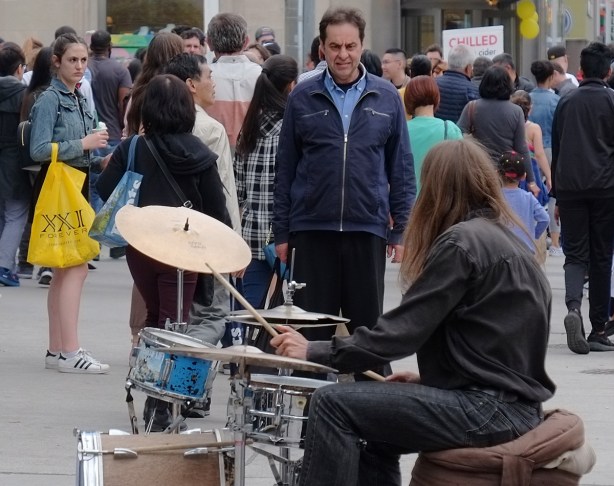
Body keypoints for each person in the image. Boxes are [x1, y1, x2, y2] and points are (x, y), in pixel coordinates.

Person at [271, 139, 555, 486]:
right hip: (514, 410)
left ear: (436, 190)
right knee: (375, 430)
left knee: (332, 403)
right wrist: (431, 383)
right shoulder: (511, 243)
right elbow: (499, 350)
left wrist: (315, 350)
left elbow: (402, 331)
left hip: (486, 412)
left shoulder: (460, 243)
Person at [273, 6, 415, 379]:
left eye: (350, 46)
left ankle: (375, 423)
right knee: (309, 334)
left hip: (366, 228)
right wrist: (282, 233)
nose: (343, 54)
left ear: (361, 44)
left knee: (368, 335)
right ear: (322, 47)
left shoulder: (386, 97)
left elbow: (400, 168)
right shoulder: (302, 97)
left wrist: (401, 229)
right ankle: (307, 420)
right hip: (311, 230)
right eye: (334, 46)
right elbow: (285, 168)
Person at [97, 74, 230, 428]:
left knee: (156, 320)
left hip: (141, 249)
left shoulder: (134, 148)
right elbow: (218, 212)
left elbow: (104, 185)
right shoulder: (200, 153)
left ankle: (155, 402)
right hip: (182, 255)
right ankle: (162, 407)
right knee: (177, 326)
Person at [29, 33, 110, 373]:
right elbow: (37, 149)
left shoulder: (77, 97)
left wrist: (98, 150)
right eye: (72, 60)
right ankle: (69, 351)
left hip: (75, 185)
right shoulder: (50, 99)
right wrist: (84, 143)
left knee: (66, 268)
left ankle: (58, 350)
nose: (79, 66)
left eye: (83, 60)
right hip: (60, 188)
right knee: (74, 266)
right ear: (57, 62)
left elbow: (82, 145)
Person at [163, 53, 241, 350]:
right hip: (207, 235)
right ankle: (187, 374)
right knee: (210, 315)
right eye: (208, 76)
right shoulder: (209, 129)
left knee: (172, 314)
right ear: (191, 84)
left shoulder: (154, 126)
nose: (213, 83)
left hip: (162, 237)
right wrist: (234, 241)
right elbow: (223, 190)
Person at [551, 41, 614, 354]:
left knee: (575, 254)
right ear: (608, 70)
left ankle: (573, 308)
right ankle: (598, 329)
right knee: (602, 256)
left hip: (570, 187)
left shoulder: (566, 100)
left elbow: (558, 148)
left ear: (581, 69)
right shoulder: (612, 101)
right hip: (605, 189)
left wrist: (558, 195)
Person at [234, 55, 298, 306]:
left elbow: (238, 191)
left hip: (251, 237)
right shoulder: (292, 128)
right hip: (285, 237)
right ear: (291, 86)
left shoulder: (249, 128)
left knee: (251, 315)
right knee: (292, 313)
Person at [457, 65, 537, 193]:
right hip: (505, 173)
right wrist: (531, 181)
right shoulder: (516, 112)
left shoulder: (472, 107)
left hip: (478, 171)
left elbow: (458, 136)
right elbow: (522, 148)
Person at [17, 47, 53, 282]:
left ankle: (26, 261)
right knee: (48, 211)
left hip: (30, 162)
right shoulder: (49, 96)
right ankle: (45, 264)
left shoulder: (29, 94)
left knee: (35, 210)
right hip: (50, 159)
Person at [87, 30, 132, 214]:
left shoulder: (83, 67)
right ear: (110, 47)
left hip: (89, 136)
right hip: (113, 134)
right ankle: (105, 232)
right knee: (114, 189)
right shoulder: (120, 70)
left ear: (91, 47)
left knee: (92, 188)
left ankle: (93, 234)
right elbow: (124, 104)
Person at [206, 13, 262, 150]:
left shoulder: (200, 78)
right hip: (254, 158)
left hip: (211, 158)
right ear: (246, 41)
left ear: (209, 43)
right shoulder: (263, 76)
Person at [0, 43, 28, 287]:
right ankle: (4, 266)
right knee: (16, 213)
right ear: (19, 69)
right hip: (14, 161)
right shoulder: (23, 95)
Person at [404, 75, 462, 192]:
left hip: (407, 201)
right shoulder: (449, 129)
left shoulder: (401, 130)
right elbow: (461, 169)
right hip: (440, 200)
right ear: (437, 97)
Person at [528, 60, 561, 256]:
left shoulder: (528, 97)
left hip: (529, 150)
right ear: (551, 77)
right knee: (552, 194)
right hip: (549, 149)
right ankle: (555, 242)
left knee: (532, 190)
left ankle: (533, 235)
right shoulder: (556, 101)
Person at [498, 150, 549, 254]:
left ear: (497, 174)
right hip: (526, 250)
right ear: (524, 176)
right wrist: (533, 235)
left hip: (501, 250)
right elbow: (545, 219)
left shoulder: (495, 197)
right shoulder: (529, 198)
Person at [434, 44, 479, 123]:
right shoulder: (474, 90)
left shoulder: (431, 84)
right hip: (460, 134)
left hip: (434, 133)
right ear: (468, 68)